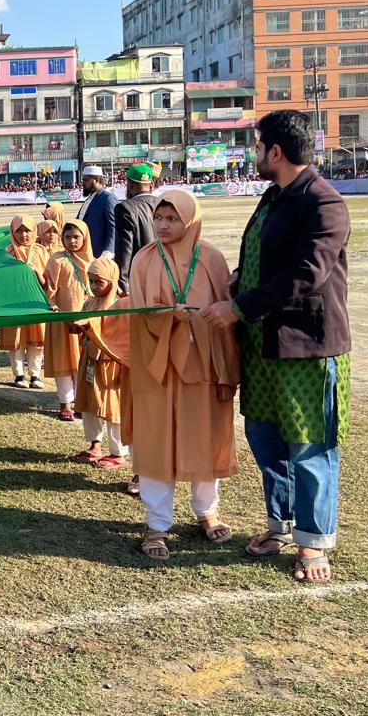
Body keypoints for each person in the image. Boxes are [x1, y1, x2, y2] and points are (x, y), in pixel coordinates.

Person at [200, 110, 352, 583]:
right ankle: (280, 525)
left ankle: (313, 541)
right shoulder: (273, 197)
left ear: (276, 151)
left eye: (258, 145)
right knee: (266, 439)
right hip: (262, 345)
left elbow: (306, 275)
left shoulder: (323, 202)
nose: (255, 153)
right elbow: (264, 258)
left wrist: (239, 307)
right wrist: (238, 278)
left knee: (308, 444)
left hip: (306, 347)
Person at [127, 190, 240, 561]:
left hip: (203, 365)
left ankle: (207, 512)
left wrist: (226, 368)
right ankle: (156, 524)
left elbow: (226, 316)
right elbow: (139, 313)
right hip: (158, 368)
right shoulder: (144, 259)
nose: (162, 225)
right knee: (157, 442)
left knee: (203, 438)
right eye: (159, 218)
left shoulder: (211, 259)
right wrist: (165, 316)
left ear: (190, 220)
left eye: (172, 219)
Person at [69, 256, 131, 470]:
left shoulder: (119, 305)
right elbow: (78, 328)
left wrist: (91, 324)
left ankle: (118, 453)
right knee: (89, 403)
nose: (94, 286)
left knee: (113, 407)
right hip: (89, 360)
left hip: (110, 363)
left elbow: (119, 336)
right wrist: (70, 322)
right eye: (91, 281)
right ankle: (95, 445)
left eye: (99, 282)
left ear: (112, 281)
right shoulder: (89, 302)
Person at [42, 220, 93, 421]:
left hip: (86, 321)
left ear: (85, 238)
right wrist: (53, 307)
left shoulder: (92, 262)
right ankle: (65, 404)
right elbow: (49, 289)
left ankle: (80, 402)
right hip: (61, 320)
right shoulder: (56, 260)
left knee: (83, 361)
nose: (72, 241)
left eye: (76, 237)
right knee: (63, 360)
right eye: (68, 237)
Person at [0, 216, 48, 390]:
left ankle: (35, 375)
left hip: (35, 302)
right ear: (12, 232)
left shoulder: (40, 251)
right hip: (14, 303)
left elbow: (48, 281)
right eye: (18, 231)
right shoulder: (7, 252)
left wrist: (35, 273)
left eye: (27, 230)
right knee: (17, 340)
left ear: (34, 231)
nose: (23, 235)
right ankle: (19, 374)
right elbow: (1, 281)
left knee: (36, 340)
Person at [113, 163, 158, 292]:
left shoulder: (125, 208)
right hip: (165, 273)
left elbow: (124, 248)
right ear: (151, 184)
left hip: (139, 276)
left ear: (130, 185)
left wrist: (122, 282)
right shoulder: (163, 203)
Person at [75, 166, 117, 258]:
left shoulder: (108, 198)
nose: (83, 183)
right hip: (86, 251)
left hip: (100, 253)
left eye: (86, 180)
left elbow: (113, 226)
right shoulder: (90, 198)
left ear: (96, 180)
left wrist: (109, 251)